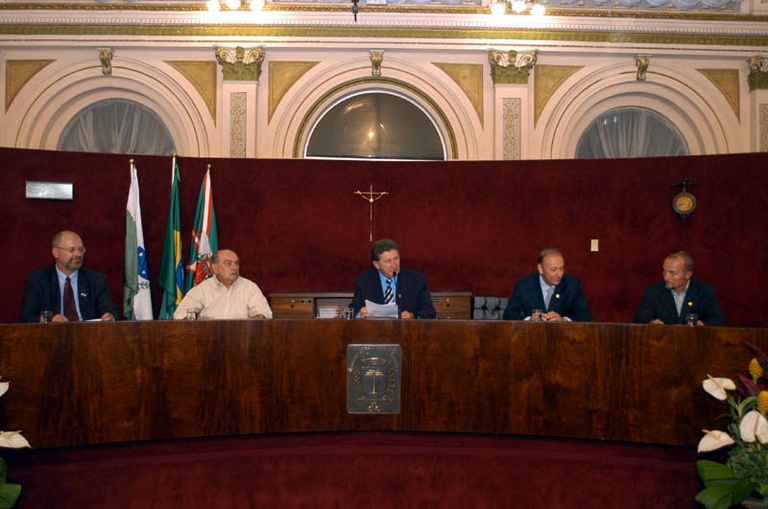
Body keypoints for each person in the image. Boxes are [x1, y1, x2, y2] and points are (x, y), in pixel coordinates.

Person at [20, 230, 120, 323]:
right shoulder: (38, 280)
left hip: (89, 334)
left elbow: (112, 311)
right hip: (53, 334)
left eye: (81, 249)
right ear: (56, 252)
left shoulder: (96, 280)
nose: (78, 254)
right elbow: (27, 316)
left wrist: (110, 316)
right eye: (72, 250)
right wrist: (50, 320)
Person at [349, 238, 436, 319]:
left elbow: (429, 312)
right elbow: (353, 310)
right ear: (376, 265)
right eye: (388, 261)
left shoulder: (416, 280)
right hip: (375, 329)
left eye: (396, 259)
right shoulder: (364, 281)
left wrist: (412, 316)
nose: (394, 265)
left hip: (406, 329)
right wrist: (359, 314)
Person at [173, 249, 272, 320]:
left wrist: (256, 319)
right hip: (208, 338)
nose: (234, 267)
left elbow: (264, 313)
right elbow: (180, 315)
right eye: (228, 263)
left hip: (242, 338)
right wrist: (197, 321)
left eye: (236, 263)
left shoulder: (249, 288)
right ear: (215, 268)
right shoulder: (203, 289)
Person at [634, 251, 726, 326]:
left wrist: (702, 324)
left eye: (672, 273)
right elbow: (640, 318)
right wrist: (651, 322)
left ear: (687, 275)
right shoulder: (654, 292)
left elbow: (718, 320)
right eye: (664, 271)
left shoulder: (704, 292)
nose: (666, 277)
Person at [503, 248, 592, 322]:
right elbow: (509, 315)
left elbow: (585, 315)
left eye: (561, 269)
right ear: (540, 269)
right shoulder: (524, 285)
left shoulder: (572, 285)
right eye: (553, 270)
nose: (559, 274)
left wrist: (563, 320)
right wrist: (530, 319)